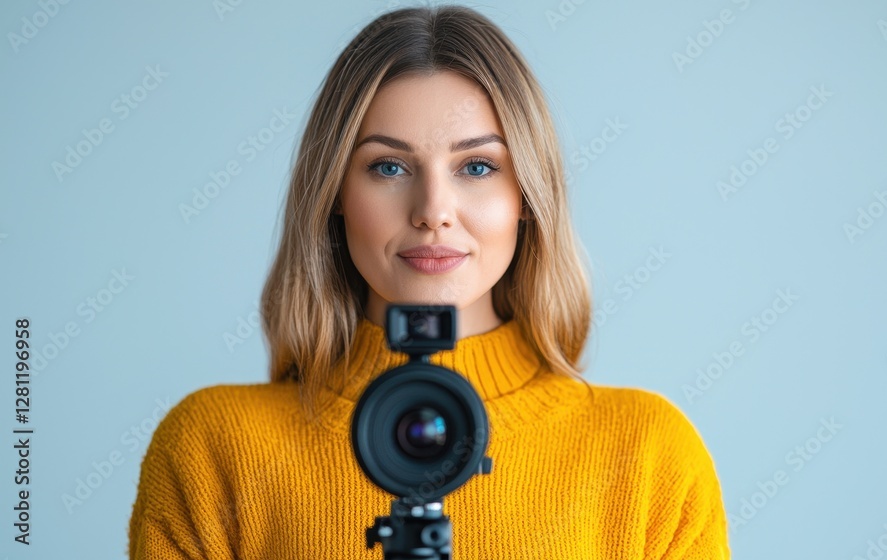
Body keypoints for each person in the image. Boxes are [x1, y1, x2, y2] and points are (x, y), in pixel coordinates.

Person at [128, 5, 730, 559]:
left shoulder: (649, 457)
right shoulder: (212, 449)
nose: (433, 210)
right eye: (389, 166)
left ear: (526, 196)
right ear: (335, 193)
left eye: (477, 166)